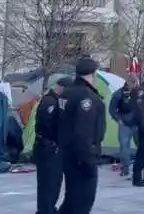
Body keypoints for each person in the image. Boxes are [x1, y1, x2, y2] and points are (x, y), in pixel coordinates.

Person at [57, 58, 106, 214]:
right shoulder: (87, 97)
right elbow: (83, 133)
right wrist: (88, 162)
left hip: (67, 153)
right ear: (93, 74)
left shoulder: (67, 92)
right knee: (82, 202)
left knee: (72, 199)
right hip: (81, 157)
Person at [34, 76, 72, 214]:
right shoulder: (49, 102)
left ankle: (50, 208)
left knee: (55, 182)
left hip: (54, 148)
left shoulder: (57, 100)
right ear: (62, 88)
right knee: (48, 184)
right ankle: (45, 210)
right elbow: (50, 126)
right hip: (48, 148)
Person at [110, 75, 140, 177]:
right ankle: (125, 169)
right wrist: (118, 120)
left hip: (138, 123)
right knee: (124, 147)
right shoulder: (119, 93)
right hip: (125, 124)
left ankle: (140, 167)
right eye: (133, 83)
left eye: (136, 83)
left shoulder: (140, 92)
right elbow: (112, 109)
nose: (135, 85)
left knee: (141, 146)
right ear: (128, 83)